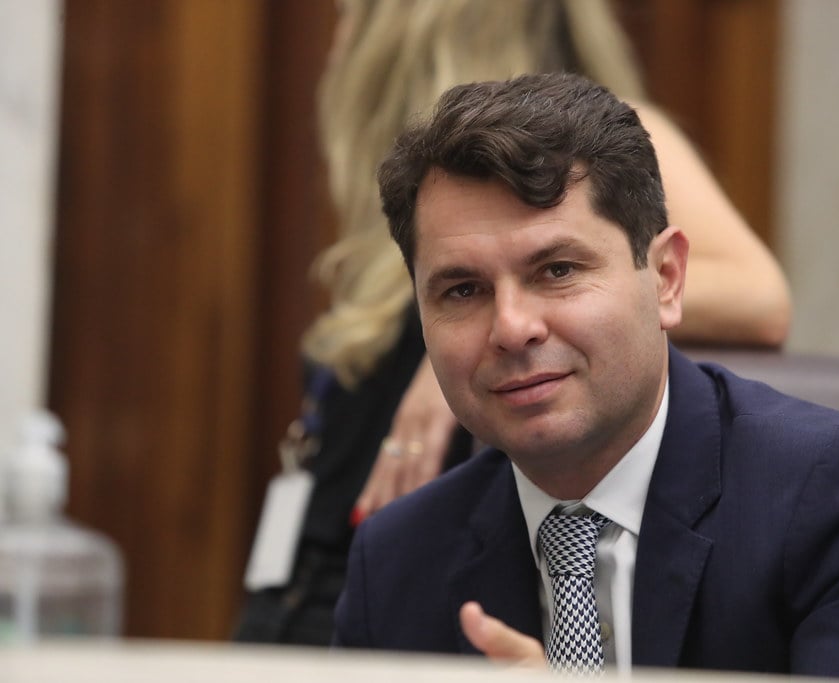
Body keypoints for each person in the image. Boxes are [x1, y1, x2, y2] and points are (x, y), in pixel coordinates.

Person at [235, 0, 791, 646]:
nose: (337, 45)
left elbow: (760, 297)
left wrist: (444, 358)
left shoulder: (593, 147)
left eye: (555, 268)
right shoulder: (427, 186)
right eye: (462, 288)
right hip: (342, 588)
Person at [331, 72, 839, 678]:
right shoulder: (396, 563)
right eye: (463, 289)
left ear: (666, 279)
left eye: (558, 271)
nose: (512, 327)